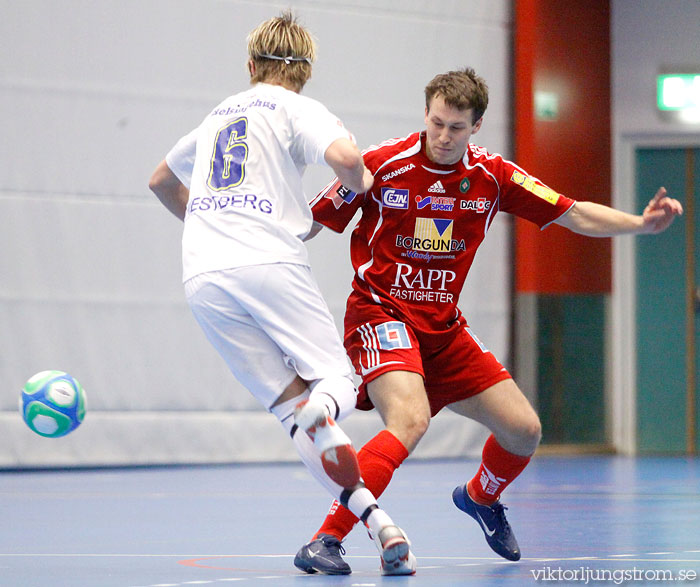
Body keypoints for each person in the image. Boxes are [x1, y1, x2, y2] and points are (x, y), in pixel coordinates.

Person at [291, 67, 684, 575]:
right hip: (380, 311)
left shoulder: (493, 177)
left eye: (456, 127)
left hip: (443, 327)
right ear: (425, 115)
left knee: (524, 430)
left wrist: (640, 225)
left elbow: (573, 212)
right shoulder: (379, 166)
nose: (443, 136)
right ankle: (327, 538)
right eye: (436, 123)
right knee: (410, 420)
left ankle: (480, 496)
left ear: (477, 126)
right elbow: (308, 224)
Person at [148, 12, 415, 576]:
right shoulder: (299, 107)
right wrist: (364, 183)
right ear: (307, 71)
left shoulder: (217, 114)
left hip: (202, 273)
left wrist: (207, 222)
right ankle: (324, 411)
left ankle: (378, 523)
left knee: (292, 411)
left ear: (250, 66)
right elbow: (346, 162)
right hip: (267, 258)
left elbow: (160, 181)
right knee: (336, 381)